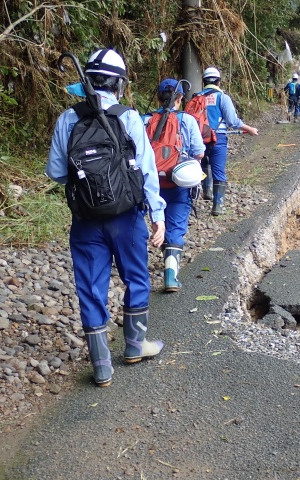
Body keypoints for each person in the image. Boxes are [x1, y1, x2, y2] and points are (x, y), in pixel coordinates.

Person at [46, 48, 166, 387]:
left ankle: (101, 366)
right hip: (126, 217)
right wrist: (157, 215)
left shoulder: (67, 118)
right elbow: (146, 171)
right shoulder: (128, 117)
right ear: (119, 83)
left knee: (91, 287)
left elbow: (56, 172)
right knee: (137, 278)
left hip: (85, 219)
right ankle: (134, 345)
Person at [144, 79, 205, 293]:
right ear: (180, 99)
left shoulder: (145, 120)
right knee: (176, 225)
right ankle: (170, 276)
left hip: (151, 184)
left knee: (158, 221)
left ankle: (163, 256)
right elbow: (199, 152)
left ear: (159, 98)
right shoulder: (187, 120)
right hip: (179, 181)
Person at [197, 66, 259, 216]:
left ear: (204, 82)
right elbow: (232, 121)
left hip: (200, 138)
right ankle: (217, 206)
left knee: (204, 164)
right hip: (218, 138)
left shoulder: (196, 98)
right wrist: (250, 129)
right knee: (218, 169)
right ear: (218, 82)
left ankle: (206, 190)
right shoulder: (223, 98)